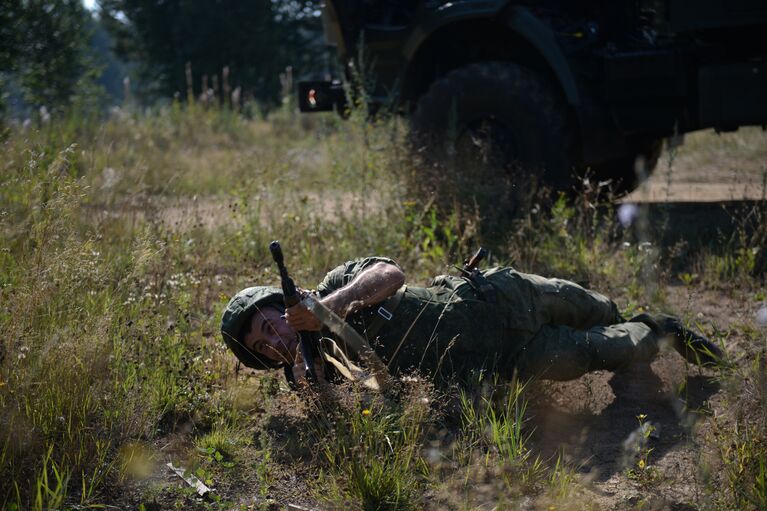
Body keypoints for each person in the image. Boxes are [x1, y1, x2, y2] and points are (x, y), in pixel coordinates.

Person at [220, 256, 722, 387]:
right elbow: (358, 404)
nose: (276, 341)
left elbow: (390, 274)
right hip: (511, 360)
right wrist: (313, 381)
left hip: (496, 295)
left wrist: (333, 308)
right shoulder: (317, 370)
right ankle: (661, 328)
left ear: (280, 305)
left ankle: (631, 319)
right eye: (264, 347)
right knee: (614, 351)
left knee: (599, 308)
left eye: (270, 325)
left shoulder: (336, 284)